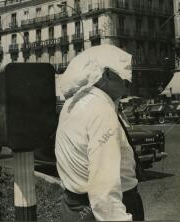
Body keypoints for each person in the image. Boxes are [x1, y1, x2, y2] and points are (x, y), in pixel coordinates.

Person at [55, 45, 144, 221]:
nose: (129, 84)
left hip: (73, 205)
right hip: (101, 209)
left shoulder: (72, 103)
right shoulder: (101, 110)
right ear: (106, 75)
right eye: (125, 78)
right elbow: (104, 188)